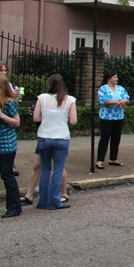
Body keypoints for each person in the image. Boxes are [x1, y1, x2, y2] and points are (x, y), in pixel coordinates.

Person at [33, 74, 77, 210]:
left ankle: (43, 201)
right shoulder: (70, 100)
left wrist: (47, 117)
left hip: (44, 136)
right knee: (58, 169)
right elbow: (73, 121)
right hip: (61, 137)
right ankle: (54, 200)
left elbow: (36, 118)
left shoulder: (42, 98)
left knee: (45, 169)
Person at [95, 70, 129, 169]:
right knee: (105, 138)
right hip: (107, 117)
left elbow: (127, 98)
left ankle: (113, 158)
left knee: (116, 138)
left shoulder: (120, 88)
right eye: (114, 77)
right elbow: (104, 101)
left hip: (119, 116)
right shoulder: (103, 89)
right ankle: (100, 159)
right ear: (109, 78)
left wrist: (123, 101)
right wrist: (117, 102)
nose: (116, 79)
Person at [0, 74, 22, 218]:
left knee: (7, 174)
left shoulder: (9, 103)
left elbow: (16, 122)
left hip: (6, 144)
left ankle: (14, 207)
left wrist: (2, 116)